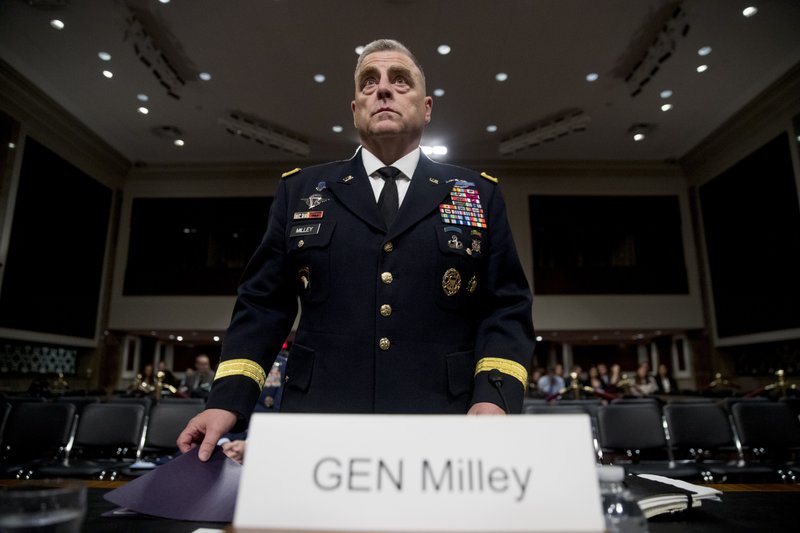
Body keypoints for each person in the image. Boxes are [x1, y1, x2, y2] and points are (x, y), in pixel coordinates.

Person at [178, 38, 535, 462]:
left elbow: (506, 307)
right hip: (317, 421)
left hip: (442, 420)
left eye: (400, 81)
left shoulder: (477, 194)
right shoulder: (301, 191)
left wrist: (494, 396)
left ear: (427, 108)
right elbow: (262, 305)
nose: (383, 89)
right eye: (369, 82)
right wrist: (227, 400)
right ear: (355, 110)